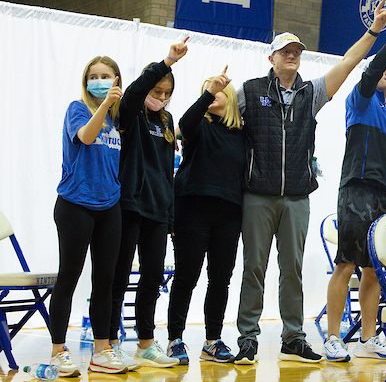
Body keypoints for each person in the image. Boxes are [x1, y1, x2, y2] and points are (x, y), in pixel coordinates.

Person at [232, 0, 386, 365]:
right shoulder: (249, 90)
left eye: (297, 52)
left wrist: (374, 32)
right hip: (258, 195)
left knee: (293, 270)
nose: (292, 55)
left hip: (297, 198)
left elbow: (349, 63)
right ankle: (248, 337)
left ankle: (293, 337)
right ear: (272, 57)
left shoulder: (312, 93)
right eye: (285, 51)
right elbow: (219, 114)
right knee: (254, 267)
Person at [46, 48, 180, 376]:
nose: (99, 81)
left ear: (116, 81)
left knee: (104, 281)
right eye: (93, 77)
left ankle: (102, 351)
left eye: (105, 76)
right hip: (75, 205)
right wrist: (106, 103)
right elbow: (87, 137)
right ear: (85, 82)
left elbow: (136, 94)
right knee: (69, 277)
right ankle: (58, 352)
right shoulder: (78, 109)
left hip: (109, 207)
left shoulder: (120, 119)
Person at [323, 5, 386, 362]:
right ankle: (333, 337)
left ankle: (368, 338)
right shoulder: (359, 100)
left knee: (375, 269)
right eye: (384, 69)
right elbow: (376, 66)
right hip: (355, 190)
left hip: (383, 197)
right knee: (346, 263)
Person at [107, 37, 193, 369]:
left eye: (166, 93)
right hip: (129, 204)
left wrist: (171, 217)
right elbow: (132, 94)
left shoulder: (168, 122)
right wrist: (168, 62)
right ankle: (111, 340)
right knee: (119, 274)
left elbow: (166, 172)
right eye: (156, 91)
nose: (160, 97)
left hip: (158, 208)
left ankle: (145, 341)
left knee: (153, 276)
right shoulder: (128, 113)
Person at [167, 67, 244, 365]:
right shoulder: (199, 124)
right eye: (207, 91)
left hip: (228, 213)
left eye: (218, 91)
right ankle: (175, 339)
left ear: (232, 99)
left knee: (221, 279)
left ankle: (212, 340)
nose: (212, 95)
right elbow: (184, 123)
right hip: (192, 208)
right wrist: (210, 91)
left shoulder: (241, 132)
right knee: (187, 276)